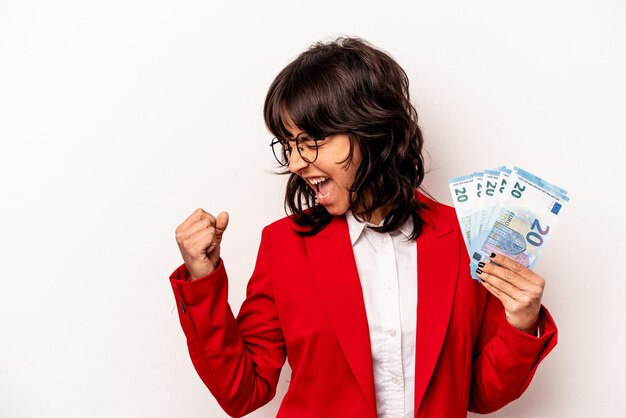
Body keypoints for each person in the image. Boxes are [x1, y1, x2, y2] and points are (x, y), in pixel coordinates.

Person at [169, 37, 557, 418]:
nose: (295, 163)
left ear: (371, 129)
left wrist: (521, 325)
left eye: (310, 141)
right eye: (289, 145)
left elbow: (481, 394)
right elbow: (243, 392)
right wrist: (202, 280)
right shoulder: (284, 245)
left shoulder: (462, 237)